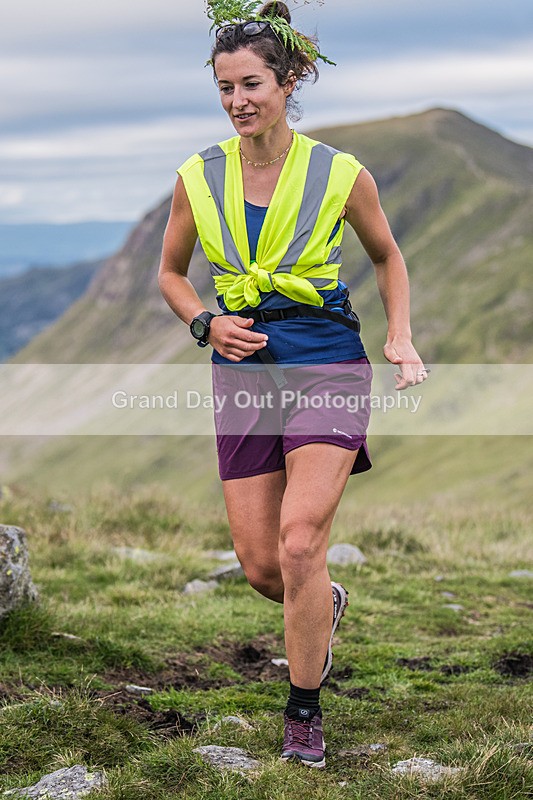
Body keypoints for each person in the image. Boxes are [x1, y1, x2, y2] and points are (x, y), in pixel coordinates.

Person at [159, 0, 428, 769]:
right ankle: (323, 606)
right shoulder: (196, 176)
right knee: (262, 568)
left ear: (287, 81)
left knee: (302, 541)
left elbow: (386, 254)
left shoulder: (340, 173)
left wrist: (398, 334)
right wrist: (204, 324)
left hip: (325, 356)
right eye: (224, 88)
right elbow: (171, 275)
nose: (237, 100)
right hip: (241, 365)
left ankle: (304, 714)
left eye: (250, 84)